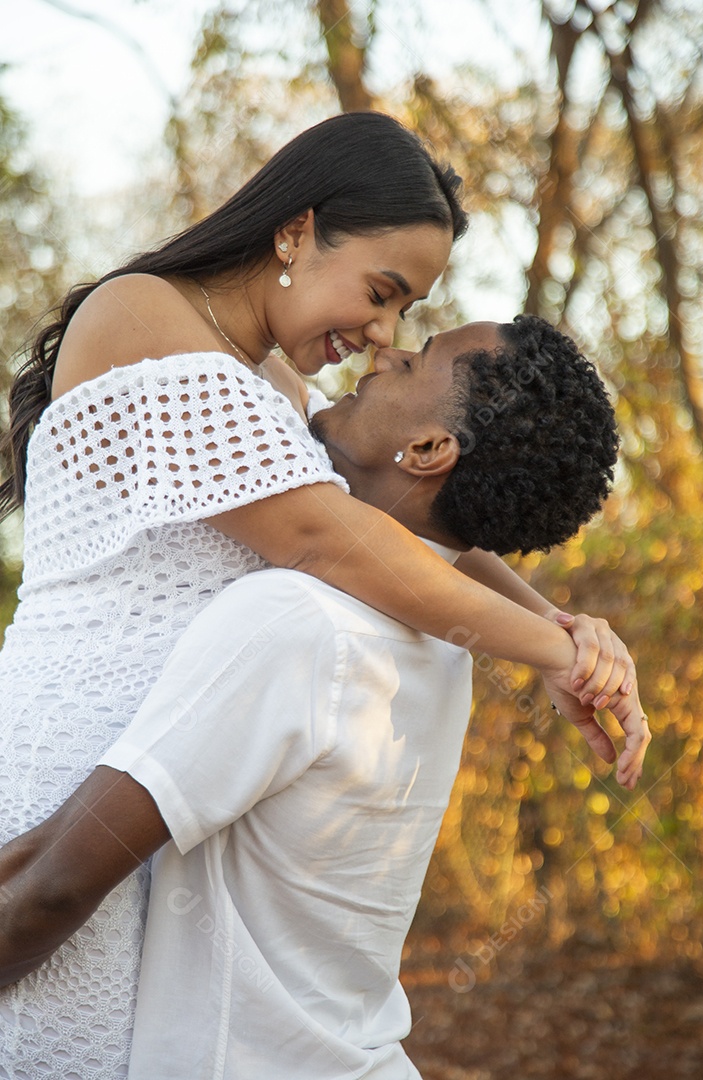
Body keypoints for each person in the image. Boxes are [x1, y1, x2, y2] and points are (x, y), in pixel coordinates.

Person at [0, 108, 645, 1075]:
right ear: (297, 230)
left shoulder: (283, 397)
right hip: (64, 785)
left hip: (166, 811)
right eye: (381, 293)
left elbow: (398, 529)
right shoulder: (145, 316)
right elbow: (325, 533)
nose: (384, 336)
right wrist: (552, 651)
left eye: (406, 314)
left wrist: (562, 626)